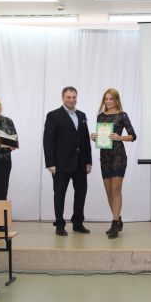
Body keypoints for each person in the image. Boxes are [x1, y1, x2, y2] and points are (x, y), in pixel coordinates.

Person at [43, 86, 92, 236]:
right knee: (59, 194)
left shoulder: (82, 115)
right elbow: (48, 140)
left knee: (81, 192)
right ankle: (59, 225)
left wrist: (88, 161)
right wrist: (50, 163)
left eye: (74, 97)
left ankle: (78, 223)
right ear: (63, 98)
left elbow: (85, 140)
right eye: (68, 97)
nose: (71, 100)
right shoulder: (53, 115)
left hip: (80, 162)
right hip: (60, 163)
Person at [90, 88, 137, 239]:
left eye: (111, 99)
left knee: (116, 190)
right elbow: (102, 138)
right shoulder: (100, 116)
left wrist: (119, 137)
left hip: (118, 156)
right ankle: (118, 220)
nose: (108, 101)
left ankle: (114, 223)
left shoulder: (122, 115)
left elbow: (133, 136)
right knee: (109, 192)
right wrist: (95, 137)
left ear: (116, 100)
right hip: (104, 156)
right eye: (106, 99)